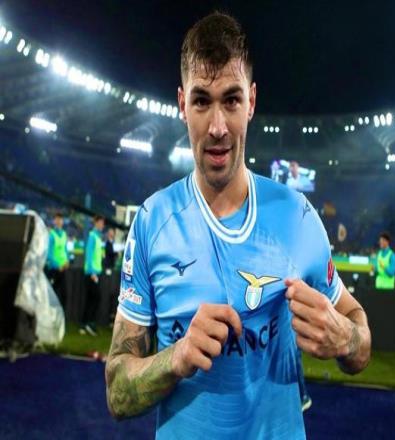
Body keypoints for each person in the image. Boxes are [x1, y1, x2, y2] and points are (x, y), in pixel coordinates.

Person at [105, 12, 371, 439]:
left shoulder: (297, 215)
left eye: (231, 100)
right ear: (181, 105)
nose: (217, 127)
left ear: (251, 101)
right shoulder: (153, 222)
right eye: (201, 101)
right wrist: (177, 358)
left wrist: (346, 339)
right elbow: (117, 393)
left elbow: (358, 336)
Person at [80, 215, 104, 336]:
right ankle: (89, 324)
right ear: (96, 223)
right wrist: (93, 273)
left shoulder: (98, 236)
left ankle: (84, 325)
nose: (102, 225)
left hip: (95, 273)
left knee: (90, 299)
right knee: (95, 298)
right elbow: (89, 255)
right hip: (91, 274)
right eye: (101, 223)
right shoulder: (92, 236)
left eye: (103, 223)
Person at [45, 212, 70, 308]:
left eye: (60, 219)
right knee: (52, 294)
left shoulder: (64, 234)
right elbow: (49, 254)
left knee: (64, 295)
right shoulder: (51, 235)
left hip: (63, 269)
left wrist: (67, 261)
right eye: (57, 219)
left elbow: (65, 250)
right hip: (54, 269)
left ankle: (60, 314)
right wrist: (57, 265)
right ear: (54, 221)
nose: (59, 221)